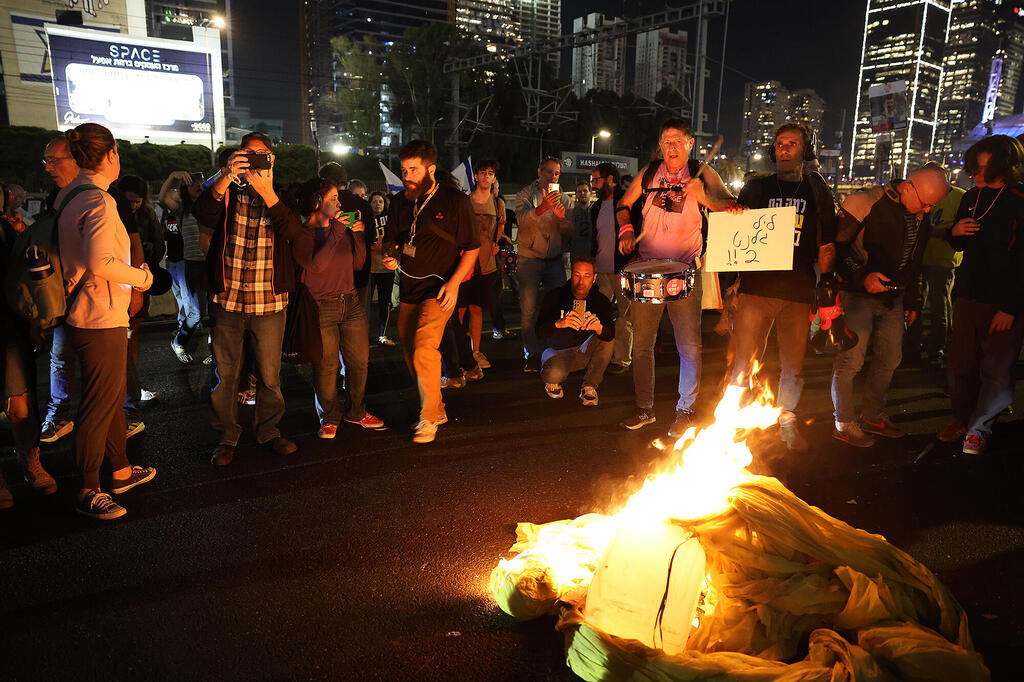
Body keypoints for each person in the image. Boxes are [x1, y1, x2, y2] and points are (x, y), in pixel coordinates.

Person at [615, 117, 739, 436]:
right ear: (660, 146)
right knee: (642, 344)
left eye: (677, 141)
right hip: (647, 271)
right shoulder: (648, 173)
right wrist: (626, 230)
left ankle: (685, 409)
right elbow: (623, 204)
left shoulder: (703, 171)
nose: (671, 147)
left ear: (690, 144)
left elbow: (730, 206)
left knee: (689, 346)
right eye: (666, 141)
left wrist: (704, 198)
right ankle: (645, 408)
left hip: (685, 272)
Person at [58, 123, 157, 519]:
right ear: (112, 153)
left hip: (83, 311)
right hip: (100, 315)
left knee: (112, 398)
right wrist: (143, 278)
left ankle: (120, 470)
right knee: (100, 404)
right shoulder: (98, 201)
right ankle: (88, 487)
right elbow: (101, 262)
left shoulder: (70, 194)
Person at [193, 131, 304, 466]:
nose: (255, 161)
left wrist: (268, 192)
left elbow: (293, 232)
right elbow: (202, 213)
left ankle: (269, 431)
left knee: (269, 375)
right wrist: (227, 175)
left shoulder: (284, 195)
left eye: (262, 155)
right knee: (225, 374)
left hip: (269, 302)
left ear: (273, 160)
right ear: (237, 156)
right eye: (248, 155)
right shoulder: (226, 191)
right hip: (227, 299)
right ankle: (226, 435)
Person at [728, 124, 838, 452]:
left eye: (792, 144)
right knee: (744, 360)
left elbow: (826, 243)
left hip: (797, 290)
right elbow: (736, 231)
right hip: (756, 288)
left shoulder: (817, 191)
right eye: (779, 144)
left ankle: (786, 415)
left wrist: (827, 283)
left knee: (793, 363)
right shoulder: (756, 188)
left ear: (806, 150)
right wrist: (733, 282)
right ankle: (734, 418)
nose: (784, 149)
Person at [831, 164, 950, 447]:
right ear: (908, 186)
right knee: (851, 360)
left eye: (932, 206)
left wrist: (913, 300)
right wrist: (862, 276)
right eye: (923, 203)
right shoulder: (866, 201)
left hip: (894, 296)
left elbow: (915, 258)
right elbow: (835, 247)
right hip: (857, 294)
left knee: (890, 358)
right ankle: (844, 422)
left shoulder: (922, 211)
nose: (925, 210)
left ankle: (872, 414)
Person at [382, 140, 479, 444]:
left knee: (425, 348)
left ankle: (427, 418)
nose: (406, 175)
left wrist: (453, 284)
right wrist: (390, 255)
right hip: (408, 287)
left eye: (413, 169)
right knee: (412, 354)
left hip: (439, 290)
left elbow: (472, 247)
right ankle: (436, 407)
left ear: (431, 169)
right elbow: (393, 240)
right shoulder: (399, 202)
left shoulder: (455, 200)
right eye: (403, 170)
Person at [940, 135, 1024, 455]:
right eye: (972, 165)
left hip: (1004, 301)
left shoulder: (1018, 198)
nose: (973, 171)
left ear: (1004, 165)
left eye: (982, 165)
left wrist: (1011, 307)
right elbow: (962, 244)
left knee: (997, 368)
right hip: (968, 295)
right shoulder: (971, 197)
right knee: (961, 363)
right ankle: (961, 419)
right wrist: (954, 233)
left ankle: (980, 427)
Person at [293, 179, 385, 438]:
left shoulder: (340, 229)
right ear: (316, 202)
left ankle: (356, 410)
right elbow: (317, 266)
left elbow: (357, 264)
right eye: (333, 197)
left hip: (351, 302)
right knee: (327, 366)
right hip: (321, 307)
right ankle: (329, 416)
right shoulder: (302, 234)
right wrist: (338, 231)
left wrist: (356, 234)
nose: (339, 202)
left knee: (359, 362)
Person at [0, 186, 58, 509]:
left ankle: (30, 462)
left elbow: (27, 277)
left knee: (20, 401)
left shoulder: (10, 228)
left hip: (10, 325)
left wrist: (35, 321)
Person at [515, 157, 575, 372]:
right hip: (529, 258)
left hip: (555, 260)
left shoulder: (565, 201)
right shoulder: (526, 194)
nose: (553, 177)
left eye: (557, 173)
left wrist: (561, 218)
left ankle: (553, 349)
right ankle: (532, 352)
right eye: (549, 172)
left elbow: (571, 231)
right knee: (529, 309)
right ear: (540, 171)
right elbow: (521, 221)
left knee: (557, 306)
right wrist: (542, 208)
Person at [39, 138, 81, 444]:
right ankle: (59, 416)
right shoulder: (54, 197)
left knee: (110, 364)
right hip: (62, 293)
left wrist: (136, 287)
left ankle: (126, 415)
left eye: (55, 160)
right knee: (60, 356)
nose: (49, 168)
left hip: (97, 297)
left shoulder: (102, 194)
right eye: (46, 162)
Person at [904, 163, 965, 365]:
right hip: (919, 258)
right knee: (915, 304)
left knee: (940, 305)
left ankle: (936, 348)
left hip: (943, 259)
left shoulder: (960, 197)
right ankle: (913, 347)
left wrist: (941, 233)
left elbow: (961, 230)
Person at [535, 256, 616, 405]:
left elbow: (610, 333)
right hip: (558, 351)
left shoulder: (601, 301)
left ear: (594, 278)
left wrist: (598, 328)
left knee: (606, 338)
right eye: (577, 275)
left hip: (584, 351)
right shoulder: (555, 296)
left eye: (587, 276)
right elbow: (539, 332)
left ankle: (590, 386)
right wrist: (559, 324)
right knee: (554, 374)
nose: (581, 281)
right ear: (571, 274)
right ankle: (552, 380)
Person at [460, 158, 506, 369]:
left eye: (490, 173)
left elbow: (501, 226)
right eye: (483, 172)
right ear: (476, 176)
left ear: (494, 178)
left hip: (486, 265)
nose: (486, 176)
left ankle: (475, 351)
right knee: (460, 310)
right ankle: (460, 351)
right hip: (464, 265)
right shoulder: (465, 201)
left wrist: (497, 242)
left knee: (477, 309)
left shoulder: (498, 203)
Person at [158, 170, 207, 364]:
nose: (199, 186)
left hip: (209, 262)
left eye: (201, 184)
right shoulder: (180, 208)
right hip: (191, 264)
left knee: (216, 311)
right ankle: (179, 342)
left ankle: (216, 350)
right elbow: (162, 197)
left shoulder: (208, 205)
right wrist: (173, 176)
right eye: (194, 184)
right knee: (195, 313)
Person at [589, 162, 632, 374]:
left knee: (626, 317)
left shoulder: (625, 203)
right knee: (599, 314)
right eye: (592, 181)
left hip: (622, 269)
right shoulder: (595, 207)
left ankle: (622, 359)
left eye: (596, 180)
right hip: (602, 271)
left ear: (610, 180)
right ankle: (599, 355)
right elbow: (594, 239)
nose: (593, 185)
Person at [368, 191, 396, 346]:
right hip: (370, 269)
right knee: (365, 305)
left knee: (385, 302)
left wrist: (387, 247)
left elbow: (395, 240)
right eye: (374, 201)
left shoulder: (390, 221)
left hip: (386, 269)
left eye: (380, 201)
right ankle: (363, 336)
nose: (377, 204)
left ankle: (382, 335)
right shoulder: (366, 220)